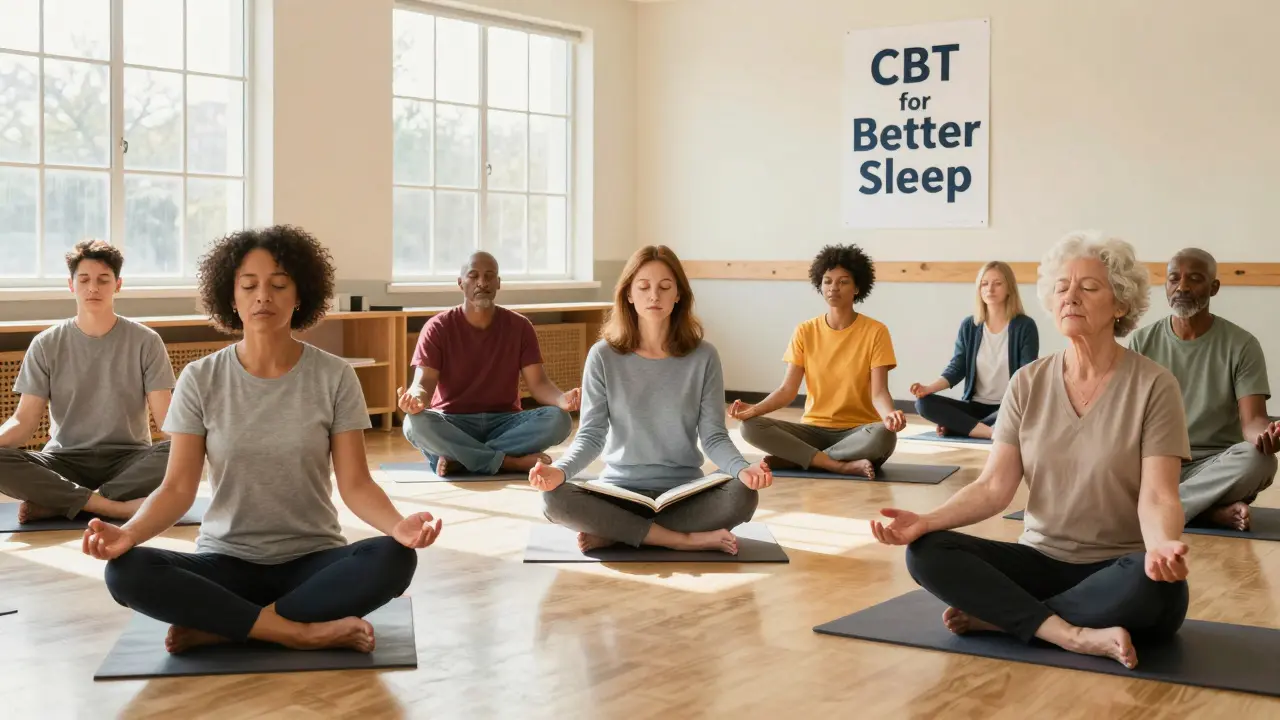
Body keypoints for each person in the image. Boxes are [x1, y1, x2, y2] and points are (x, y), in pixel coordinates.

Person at [82, 226, 442, 655]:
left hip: (312, 559)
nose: (262, 297)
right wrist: (129, 534)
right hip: (226, 561)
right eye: (248, 285)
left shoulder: (335, 377)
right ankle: (297, 631)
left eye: (278, 285)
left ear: (299, 295)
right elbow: (178, 488)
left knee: (395, 559)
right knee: (127, 572)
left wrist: (396, 526)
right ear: (230, 298)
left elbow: (356, 484)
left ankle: (227, 625)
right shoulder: (201, 378)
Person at [872, 231, 1191, 670]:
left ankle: (1007, 619)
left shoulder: (1155, 385)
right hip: (1039, 561)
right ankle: (1069, 633)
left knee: (1156, 586)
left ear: (1119, 304)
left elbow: (1158, 495)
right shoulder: (1027, 382)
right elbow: (993, 488)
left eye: (1089, 287)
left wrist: (1160, 547)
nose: (1071, 296)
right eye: (1062, 287)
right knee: (927, 552)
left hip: (1119, 568)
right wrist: (924, 521)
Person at [529, 245, 773, 554]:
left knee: (743, 495)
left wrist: (742, 469)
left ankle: (619, 531)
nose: (654, 296)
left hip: (684, 493)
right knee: (553, 498)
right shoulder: (602, 356)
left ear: (679, 295)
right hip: (619, 491)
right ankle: (679, 539)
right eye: (643, 287)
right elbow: (591, 435)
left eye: (665, 287)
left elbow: (712, 436)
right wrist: (559, 471)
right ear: (628, 295)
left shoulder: (704, 356)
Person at [0, 240, 175, 523]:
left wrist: (199, 442)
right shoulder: (46, 343)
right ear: (71, 285)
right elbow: (23, 422)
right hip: (64, 461)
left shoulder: (146, 341)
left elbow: (166, 418)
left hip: (128, 461)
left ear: (117, 285)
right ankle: (112, 507)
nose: (93, 288)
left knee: (183, 450)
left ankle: (63, 504)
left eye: (103, 280)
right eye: (84, 280)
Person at [1129, 248, 1278, 531]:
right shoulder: (1142, 342)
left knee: (1261, 462)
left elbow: (1253, 422)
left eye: (1195, 279)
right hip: (1156, 464)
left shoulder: (1242, 345)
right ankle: (1208, 513)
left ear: (1214, 287)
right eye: (1174, 279)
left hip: (1215, 468)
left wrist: (1267, 436)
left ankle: (1162, 510)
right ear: (1166, 286)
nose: (1182, 287)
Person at [398, 252, 578, 477]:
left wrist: (562, 399)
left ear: (498, 283)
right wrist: (415, 399)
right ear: (460, 283)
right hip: (453, 421)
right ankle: (508, 462)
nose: (482, 283)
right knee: (413, 424)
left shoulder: (520, 326)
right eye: (473, 276)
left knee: (559, 420)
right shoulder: (437, 327)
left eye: (489, 276)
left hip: (505, 421)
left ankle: (462, 459)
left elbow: (539, 383)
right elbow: (423, 383)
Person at [731, 245, 905, 478]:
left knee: (884, 434)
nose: (834, 287)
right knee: (750, 427)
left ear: (857, 288)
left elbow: (879, 392)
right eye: (827, 281)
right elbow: (787, 390)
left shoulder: (876, 331)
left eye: (843, 282)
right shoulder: (805, 331)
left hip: (858, 431)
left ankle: (801, 458)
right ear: (819, 285)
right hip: (812, 429)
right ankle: (835, 463)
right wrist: (753, 410)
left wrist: (889, 415)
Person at [909, 261, 1039, 439]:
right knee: (923, 404)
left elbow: (1027, 374)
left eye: (997, 283)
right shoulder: (970, 326)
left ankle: (963, 427)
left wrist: (954, 422)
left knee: (1024, 413)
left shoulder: (1025, 326)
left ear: (1010, 288)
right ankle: (991, 432)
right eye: (984, 284)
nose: (990, 289)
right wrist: (928, 388)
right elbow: (957, 367)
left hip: (1008, 407)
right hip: (974, 407)